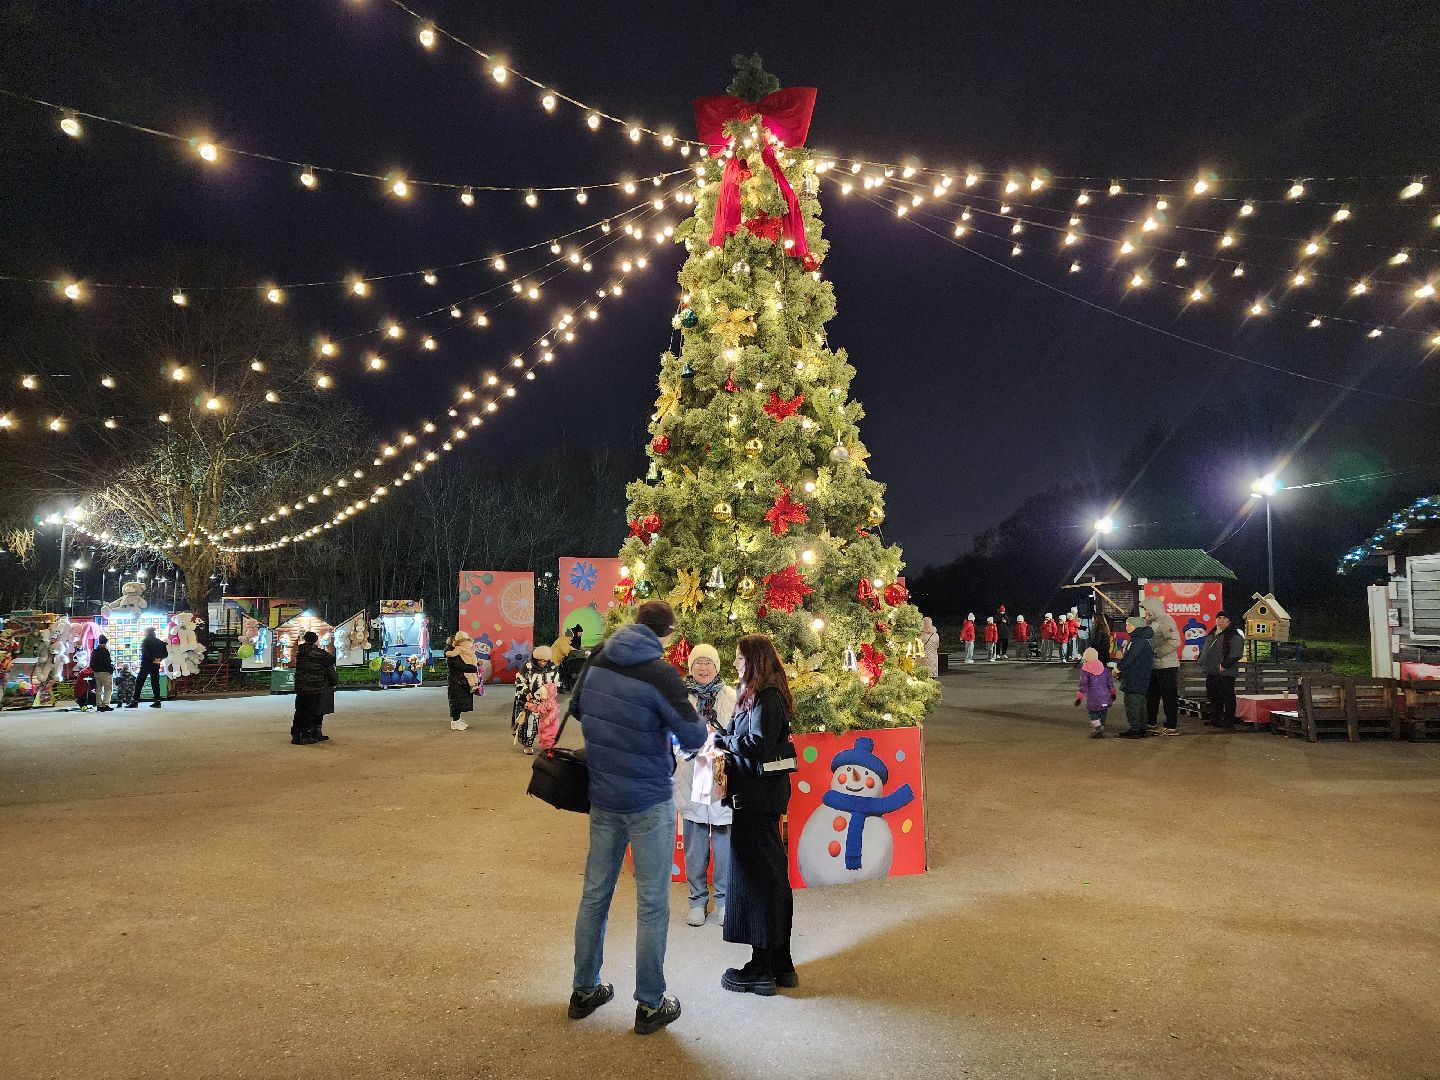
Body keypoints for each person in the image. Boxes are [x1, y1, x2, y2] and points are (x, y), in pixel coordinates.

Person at [568, 601, 705, 1036]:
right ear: (667, 634)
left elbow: (577, 708)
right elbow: (694, 735)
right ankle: (650, 1004)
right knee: (651, 903)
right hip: (648, 801)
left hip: (604, 795)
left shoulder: (598, 657)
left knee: (595, 895)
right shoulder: (661, 674)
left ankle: (584, 990)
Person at [716, 633, 797, 997]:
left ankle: (760, 968)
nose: (735, 664)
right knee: (771, 876)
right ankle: (781, 963)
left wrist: (723, 740)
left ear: (754, 660)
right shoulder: (766, 693)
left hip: (756, 800)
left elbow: (759, 745)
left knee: (757, 880)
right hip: (760, 798)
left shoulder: (765, 696)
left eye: (740, 658)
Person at [677, 644, 736, 928]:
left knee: (724, 841)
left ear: (716, 667)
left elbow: (740, 732)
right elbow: (670, 734)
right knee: (696, 844)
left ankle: (724, 901)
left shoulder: (731, 696)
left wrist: (722, 745)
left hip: (722, 773)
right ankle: (697, 900)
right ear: (691, 668)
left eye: (708, 662)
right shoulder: (681, 698)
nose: (703, 667)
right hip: (693, 772)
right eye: (698, 662)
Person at [1141, 595, 1182, 735]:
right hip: (1154, 665)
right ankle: (1151, 722)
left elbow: (1175, 641)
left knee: (1169, 696)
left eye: (1146, 609)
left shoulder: (1166, 621)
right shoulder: (1151, 622)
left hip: (1167, 666)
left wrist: (1157, 652)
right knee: (1152, 696)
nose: (1145, 612)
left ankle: (1171, 726)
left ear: (1153, 608)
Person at [1200, 610, 1246, 731]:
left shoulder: (1234, 635)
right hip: (1212, 670)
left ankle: (1229, 721)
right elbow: (1206, 649)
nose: (1221, 621)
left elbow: (1236, 653)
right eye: (1218, 618)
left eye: (1224, 618)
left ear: (1229, 621)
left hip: (1226, 672)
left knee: (1227, 696)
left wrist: (1224, 665)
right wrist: (1201, 659)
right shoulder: (1212, 633)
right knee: (1214, 696)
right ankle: (1216, 719)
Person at [291, 630, 337, 745]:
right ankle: (306, 735)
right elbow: (331, 659)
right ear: (316, 640)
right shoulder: (319, 653)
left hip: (300, 686)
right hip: (314, 686)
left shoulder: (300, 652)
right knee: (310, 711)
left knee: (300, 710)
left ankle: (296, 735)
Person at [512, 646, 560, 754]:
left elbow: (556, 683)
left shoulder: (553, 667)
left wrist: (550, 694)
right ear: (535, 658)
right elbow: (519, 681)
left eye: (545, 661)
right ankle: (528, 744)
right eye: (540, 660)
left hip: (547, 702)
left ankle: (548, 745)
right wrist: (526, 692)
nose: (542, 663)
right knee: (530, 723)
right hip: (530, 701)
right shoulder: (527, 666)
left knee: (549, 725)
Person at [1114, 616, 1155, 739]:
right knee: (1140, 704)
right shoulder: (1141, 640)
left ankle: (1135, 729)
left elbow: (1130, 658)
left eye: (1129, 625)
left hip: (1135, 678)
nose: (1126, 627)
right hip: (1139, 677)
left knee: (1133, 704)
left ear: (1137, 626)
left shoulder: (1138, 641)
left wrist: (1118, 667)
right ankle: (1141, 728)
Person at [1075, 646, 1116, 738]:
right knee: (1103, 712)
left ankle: (1097, 726)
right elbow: (1110, 683)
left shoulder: (1086, 670)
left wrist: (1079, 697)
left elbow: (1083, 684)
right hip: (1105, 697)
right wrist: (1113, 693)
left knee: (1093, 712)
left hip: (1094, 698)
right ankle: (1102, 726)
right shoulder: (1103, 668)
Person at [444, 632, 478, 731]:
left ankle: (458, 720)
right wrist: (474, 668)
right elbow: (461, 666)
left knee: (460, 701)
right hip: (456, 681)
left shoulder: (457, 653)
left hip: (459, 681)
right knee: (456, 702)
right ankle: (455, 722)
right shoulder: (452, 655)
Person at [127, 627, 167, 709]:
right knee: (155, 683)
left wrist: (152, 659)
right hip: (155, 664)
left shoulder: (146, 641)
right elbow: (165, 653)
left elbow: (145, 653)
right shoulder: (159, 642)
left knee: (140, 682)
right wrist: (159, 659)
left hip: (146, 664)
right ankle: (157, 701)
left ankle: (135, 701)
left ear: (148, 633)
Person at [91, 634, 115, 712]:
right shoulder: (105, 651)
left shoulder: (94, 651)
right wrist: (111, 669)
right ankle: (105, 704)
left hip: (96, 672)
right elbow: (107, 662)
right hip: (105, 672)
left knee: (98, 689)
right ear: (106, 643)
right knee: (108, 688)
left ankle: (99, 704)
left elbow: (91, 663)